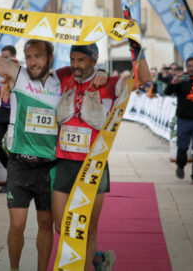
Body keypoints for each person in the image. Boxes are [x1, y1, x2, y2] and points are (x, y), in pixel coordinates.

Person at [0, 16, 108, 271]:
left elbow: (88, 69)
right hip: (20, 165)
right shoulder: (17, 75)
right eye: (29, 56)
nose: (33, 62)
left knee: (48, 226)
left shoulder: (63, 79)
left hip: (49, 167)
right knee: (17, 225)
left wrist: (101, 71)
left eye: (38, 56)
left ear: (49, 57)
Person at [52, 42, 150, 271]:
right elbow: (52, 70)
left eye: (81, 61)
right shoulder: (64, 77)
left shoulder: (110, 85)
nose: (75, 65)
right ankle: (98, 259)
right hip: (65, 163)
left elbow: (143, 77)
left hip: (93, 166)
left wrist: (136, 48)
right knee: (61, 226)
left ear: (93, 61)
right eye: (72, 59)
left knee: (87, 229)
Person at [164, 57, 193, 185]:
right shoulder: (181, 80)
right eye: (189, 66)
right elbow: (167, 92)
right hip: (183, 120)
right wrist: (173, 83)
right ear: (186, 67)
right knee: (182, 148)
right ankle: (180, 165)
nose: (191, 68)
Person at [0, 45, 18, 193]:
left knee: (14, 147)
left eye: (5, 56)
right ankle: (12, 173)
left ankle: (11, 180)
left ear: (13, 57)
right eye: (1, 56)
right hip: (2, 110)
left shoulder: (19, 72)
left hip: (16, 111)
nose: (2, 59)